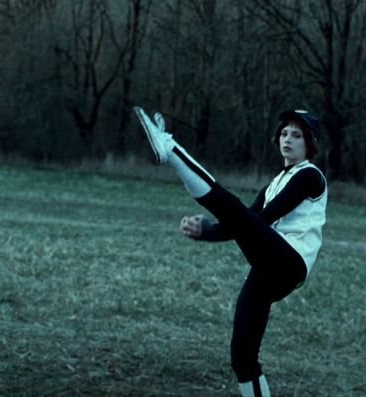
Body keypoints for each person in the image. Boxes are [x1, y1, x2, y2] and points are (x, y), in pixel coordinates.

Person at [134, 106, 327, 397]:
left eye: (297, 135)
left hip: (290, 262)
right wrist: (208, 232)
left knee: (235, 210)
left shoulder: (310, 176)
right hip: (267, 266)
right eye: (284, 133)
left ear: (309, 143)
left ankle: (171, 149)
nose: (288, 139)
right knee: (241, 356)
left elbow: (258, 220)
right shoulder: (274, 183)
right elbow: (246, 223)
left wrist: (213, 227)